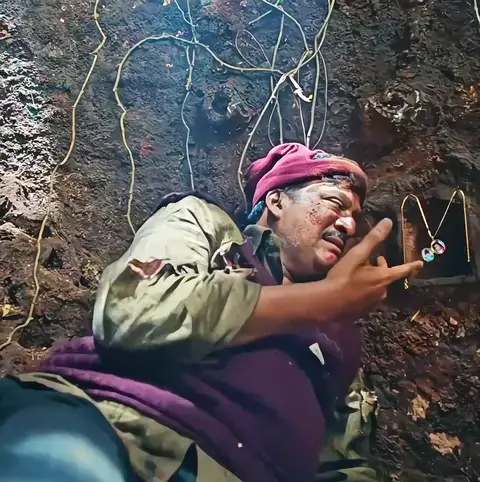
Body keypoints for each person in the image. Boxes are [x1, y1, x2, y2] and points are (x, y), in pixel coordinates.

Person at [0, 143, 423, 482]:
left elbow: (342, 462)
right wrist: (322, 301)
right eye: (334, 203)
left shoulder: (339, 331)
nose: (349, 225)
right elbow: (132, 310)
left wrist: (332, 308)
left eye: (354, 216)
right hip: (119, 428)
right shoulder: (208, 227)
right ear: (277, 201)